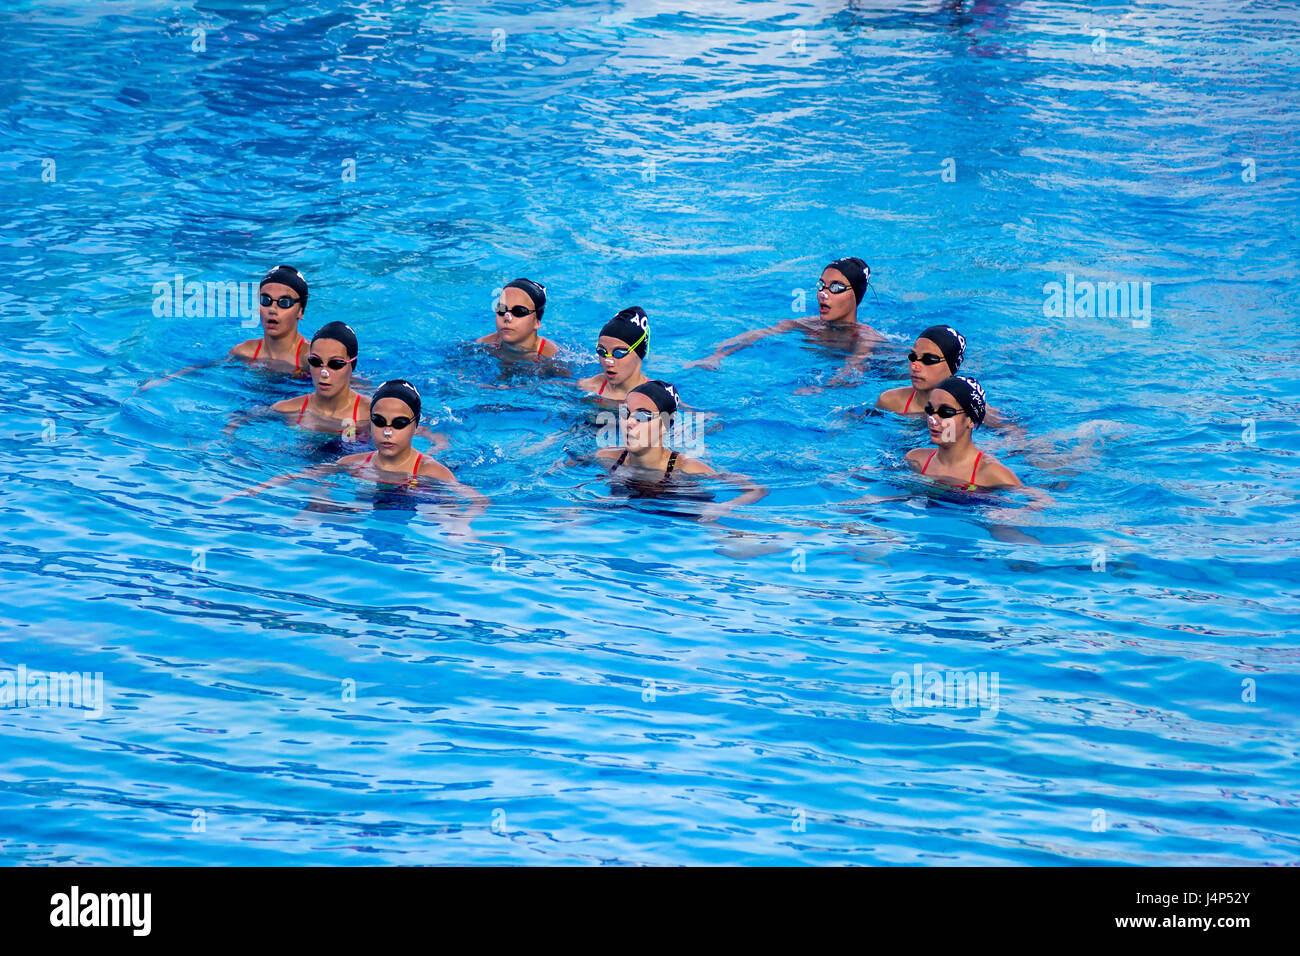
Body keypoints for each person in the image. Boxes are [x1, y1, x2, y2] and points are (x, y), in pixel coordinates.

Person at [220, 380, 482, 510]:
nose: (388, 431)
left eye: (399, 423)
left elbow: (479, 501)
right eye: (379, 421)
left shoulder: (431, 471)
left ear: (416, 426)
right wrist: (251, 492)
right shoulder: (352, 463)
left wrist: (461, 525)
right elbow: (299, 475)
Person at [685, 257, 884, 385]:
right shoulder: (808, 325)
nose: (823, 294)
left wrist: (821, 389)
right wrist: (716, 355)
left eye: (836, 287)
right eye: (821, 285)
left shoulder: (866, 339)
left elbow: (853, 370)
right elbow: (759, 334)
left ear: (856, 295)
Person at [593, 380, 767, 514]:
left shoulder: (687, 467)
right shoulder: (607, 458)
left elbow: (756, 489)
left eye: (643, 415)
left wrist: (723, 507)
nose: (629, 422)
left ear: (665, 425)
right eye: (626, 413)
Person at [876, 324, 1008, 427]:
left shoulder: (969, 406)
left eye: (929, 359)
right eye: (913, 357)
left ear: (951, 368)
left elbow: (1013, 433)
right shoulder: (889, 402)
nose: (915, 366)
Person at [904, 375, 1021, 490]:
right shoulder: (916, 460)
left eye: (945, 412)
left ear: (970, 420)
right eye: (929, 410)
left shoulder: (992, 474)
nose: (932, 419)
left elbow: (1035, 503)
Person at [266, 321, 369, 435]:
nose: (324, 373)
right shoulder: (286, 409)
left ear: (352, 365)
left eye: (335, 364)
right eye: (315, 362)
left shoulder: (371, 415)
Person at [230, 264, 312, 371]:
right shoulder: (243, 352)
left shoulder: (312, 359)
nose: (272, 309)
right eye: (266, 300)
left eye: (284, 302)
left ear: (300, 311)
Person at [577, 306, 651, 403]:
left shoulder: (658, 398)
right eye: (602, 351)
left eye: (619, 353)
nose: (609, 362)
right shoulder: (586, 387)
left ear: (639, 353)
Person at [475, 278, 559, 360]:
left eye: (519, 311)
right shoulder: (482, 345)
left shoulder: (552, 358)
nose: (507, 317)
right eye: (502, 309)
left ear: (536, 322)